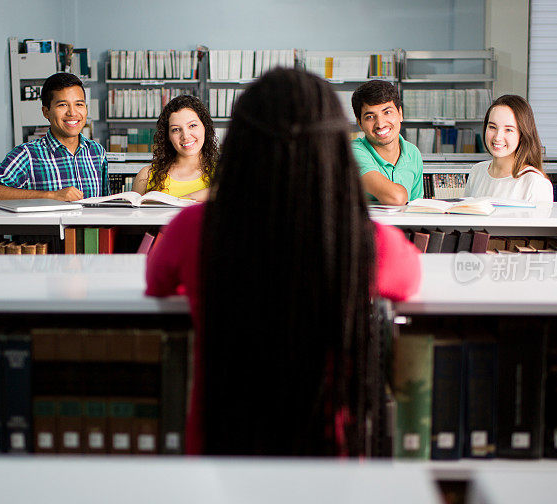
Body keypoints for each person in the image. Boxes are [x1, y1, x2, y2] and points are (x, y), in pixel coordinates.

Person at [145, 68, 421, 457]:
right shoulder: (360, 239)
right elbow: (409, 278)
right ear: (334, 147)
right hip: (328, 453)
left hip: (220, 446)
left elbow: (157, 283)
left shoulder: (193, 228)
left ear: (242, 142)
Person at [0, 73, 107, 203]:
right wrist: (51, 196)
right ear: (46, 112)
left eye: (79, 104)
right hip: (52, 226)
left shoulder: (97, 152)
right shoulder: (28, 154)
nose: (72, 113)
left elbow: (106, 203)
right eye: (62, 105)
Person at [464, 94, 553, 203]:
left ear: (522, 135)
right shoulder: (477, 171)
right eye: (492, 127)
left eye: (508, 130)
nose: (497, 137)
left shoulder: (535, 183)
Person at [131, 94, 217, 202]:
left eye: (192, 125)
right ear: (168, 136)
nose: (185, 136)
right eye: (176, 129)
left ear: (205, 127)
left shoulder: (222, 173)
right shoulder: (146, 175)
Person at [350, 80, 423, 205]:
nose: (380, 124)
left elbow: (416, 206)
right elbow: (395, 198)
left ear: (400, 114)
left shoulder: (413, 152)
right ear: (360, 123)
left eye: (387, 112)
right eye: (370, 117)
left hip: (404, 224)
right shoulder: (352, 153)